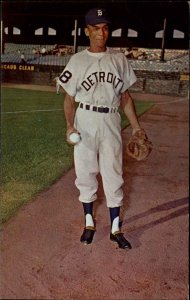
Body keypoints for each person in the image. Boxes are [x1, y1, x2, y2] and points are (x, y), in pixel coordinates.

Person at [58, 8, 143, 249]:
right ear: (87, 31)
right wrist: (69, 126)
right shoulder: (77, 60)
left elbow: (125, 98)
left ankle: (116, 229)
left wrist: (136, 128)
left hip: (111, 120)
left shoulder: (118, 59)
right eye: (96, 28)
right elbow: (68, 99)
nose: (101, 32)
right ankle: (89, 222)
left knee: (113, 172)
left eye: (105, 28)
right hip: (85, 119)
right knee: (85, 171)